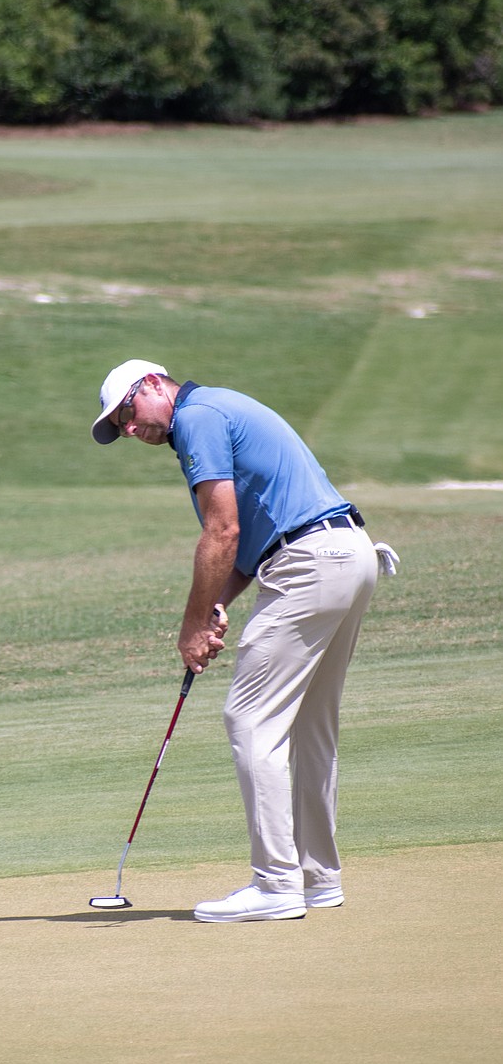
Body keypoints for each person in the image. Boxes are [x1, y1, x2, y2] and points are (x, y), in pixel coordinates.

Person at [91, 358, 386, 923]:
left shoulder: (196, 416)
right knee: (308, 725)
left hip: (310, 564)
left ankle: (277, 884)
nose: (130, 429)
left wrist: (193, 625)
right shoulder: (218, 409)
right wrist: (219, 602)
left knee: (250, 719)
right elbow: (246, 543)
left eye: (128, 412)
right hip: (350, 555)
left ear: (153, 384)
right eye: (121, 426)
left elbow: (221, 530)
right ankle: (317, 878)